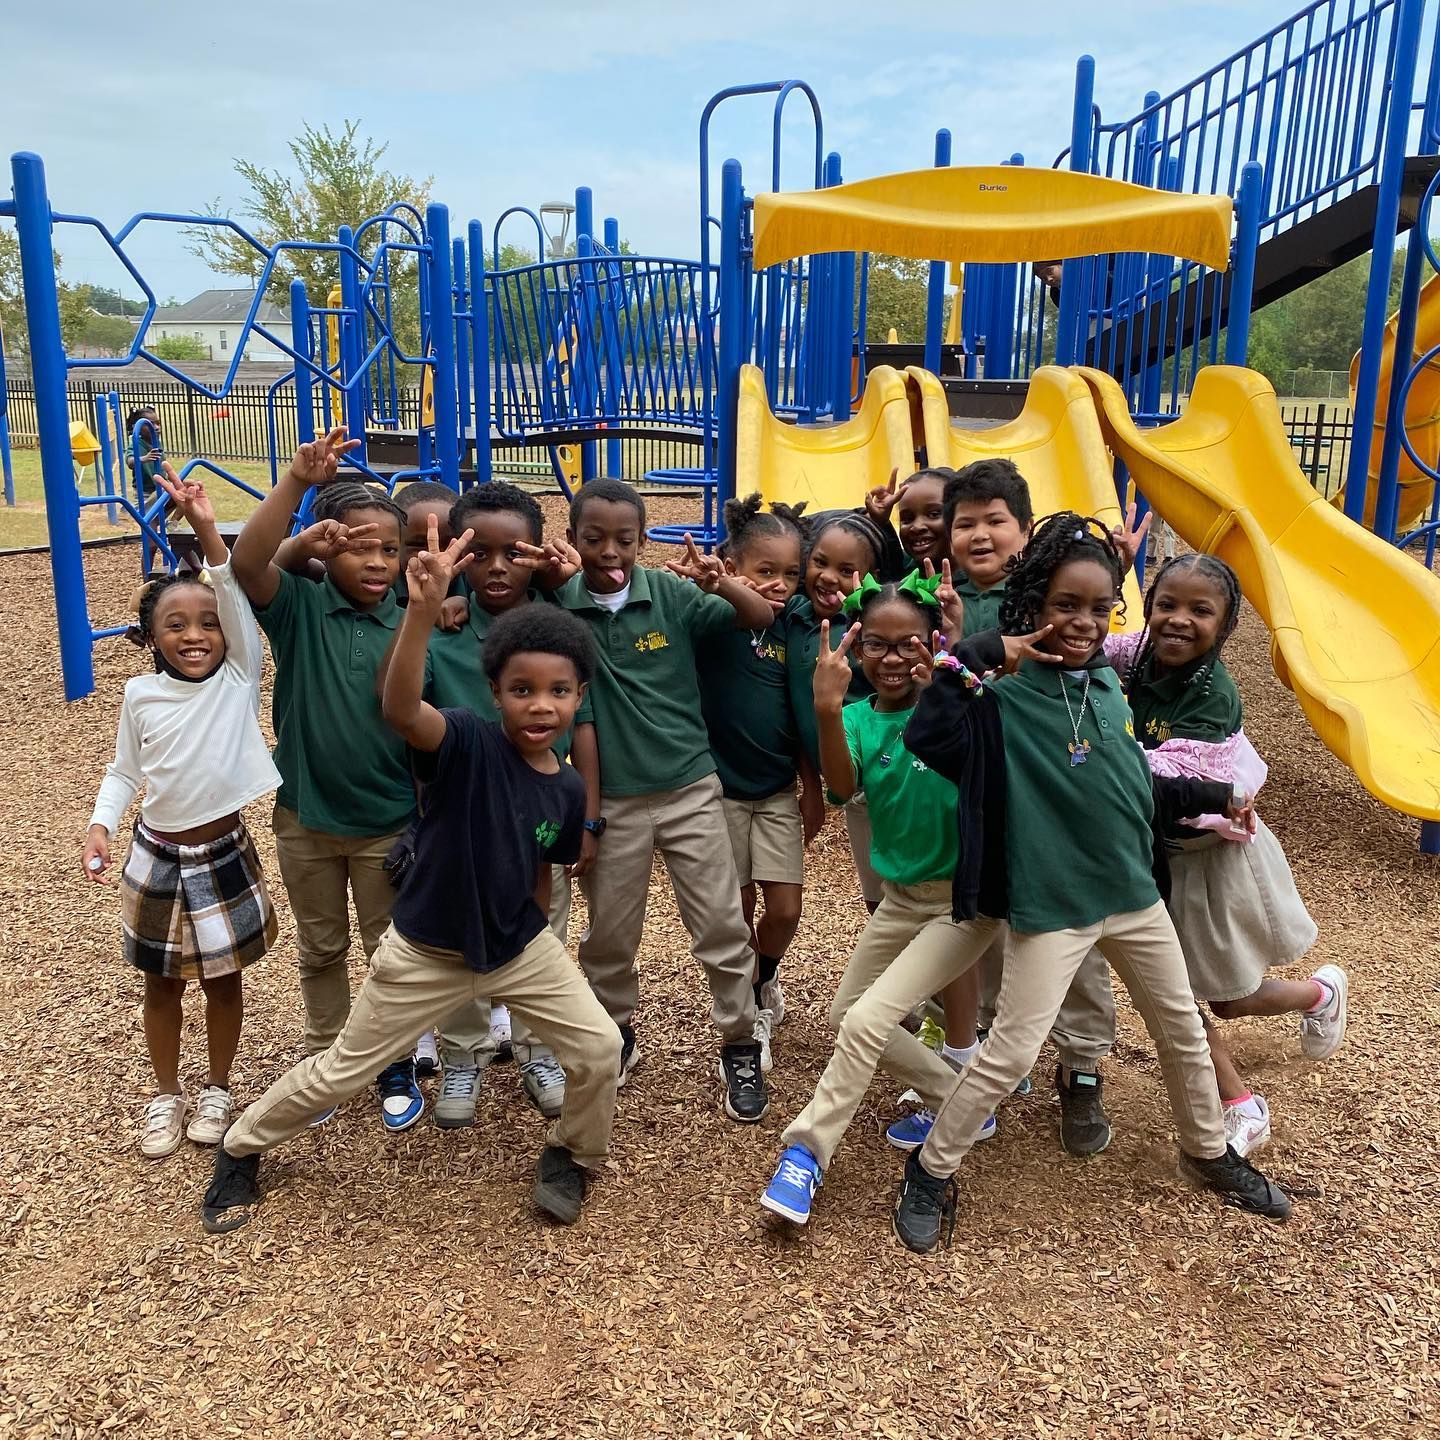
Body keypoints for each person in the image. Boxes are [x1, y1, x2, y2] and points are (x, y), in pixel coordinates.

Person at [885, 512, 1290, 1254]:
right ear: (1033, 601)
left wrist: (1214, 797)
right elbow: (927, 735)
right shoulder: (999, 700)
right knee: (1009, 1053)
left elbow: (1130, 781)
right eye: (1065, 604)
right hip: (1055, 907)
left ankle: (1205, 1151)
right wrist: (981, 650)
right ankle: (930, 1167)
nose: (1082, 622)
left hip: (1133, 899)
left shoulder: (1106, 682)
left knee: (1180, 1030)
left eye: (1099, 609)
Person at [200, 529, 621, 1234]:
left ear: (580, 696)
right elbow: (400, 709)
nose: (540, 706)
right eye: (522, 690)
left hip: (517, 946)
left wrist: (540, 946)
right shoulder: (467, 742)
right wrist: (421, 612)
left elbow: (543, 876)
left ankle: (572, 1155)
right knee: (342, 1069)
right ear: (496, 694)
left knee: (600, 1048)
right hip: (427, 949)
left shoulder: (569, 789)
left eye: (557, 691)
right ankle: (242, 1147)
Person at [760, 578, 1006, 1226]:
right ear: (857, 648)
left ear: (933, 645)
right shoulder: (863, 718)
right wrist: (826, 709)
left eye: (909, 645)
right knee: (848, 1015)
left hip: (963, 904)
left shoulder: (959, 709)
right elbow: (841, 791)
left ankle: (806, 1154)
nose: (892, 659)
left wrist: (957, 669)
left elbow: (988, 732)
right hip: (901, 899)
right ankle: (964, 1100)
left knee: (870, 1023)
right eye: (877, 645)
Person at [1110, 554, 1346, 1156]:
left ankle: (1310, 1007)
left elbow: (1168, 782)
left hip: (1208, 858)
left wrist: (1091, 748)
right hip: (1160, 854)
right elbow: (1089, 652)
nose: (1178, 620)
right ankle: (1244, 1091)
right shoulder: (1138, 653)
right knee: (1183, 991)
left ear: (1227, 626)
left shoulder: (1215, 695)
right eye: (1167, 604)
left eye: (1199, 610)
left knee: (1219, 996)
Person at [556, 478, 777, 1122]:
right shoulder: (562, 610)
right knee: (611, 933)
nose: (609, 552)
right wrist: (590, 815)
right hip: (617, 801)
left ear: (642, 539)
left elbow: (758, 617)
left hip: (689, 789)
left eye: (624, 539)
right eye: (593, 538)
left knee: (718, 922)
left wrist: (720, 583)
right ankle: (615, 1031)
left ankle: (738, 1039)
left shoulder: (674, 595)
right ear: (572, 538)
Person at [230, 427, 427, 1133]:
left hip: (388, 821)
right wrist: (293, 486)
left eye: (389, 549)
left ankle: (393, 1060)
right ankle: (323, 1059)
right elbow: (245, 564)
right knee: (320, 948)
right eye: (359, 545)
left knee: (389, 953)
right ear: (327, 546)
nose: (377, 561)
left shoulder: (415, 619)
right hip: (307, 818)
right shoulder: (303, 610)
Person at [83, 465, 281, 1158]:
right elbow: (125, 770)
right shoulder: (141, 697)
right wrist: (102, 824)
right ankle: (166, 1094)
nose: (196, 634)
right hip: (156, 853)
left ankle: (219, 1086)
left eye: (207, 624)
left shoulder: (239, 675)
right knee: (160, 981)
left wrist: (203, 524)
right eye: (176, 624)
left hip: (222, 851)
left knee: (223, 980)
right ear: (152, 636)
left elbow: (230, 596)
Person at [943, 459, 1138, 1156]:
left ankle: (1081, 1067)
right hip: (991, 799)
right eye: (965, 523)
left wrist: (1105, 573)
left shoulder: (1061, 600)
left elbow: (1106, 659)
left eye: (997, 520)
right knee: (998, 928)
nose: (981, 534)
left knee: (1078, 937)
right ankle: (1003, 1043)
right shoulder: (941, 596)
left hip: (1067, 804)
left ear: (1027, 533)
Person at [417, 481, 598, 1127]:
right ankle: (462, 1058)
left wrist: (591, 819)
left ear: (536, 553)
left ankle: (536, 1051)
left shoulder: (556, 628)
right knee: (456, 945)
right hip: (459, 826)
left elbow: (585, 726)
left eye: (512, 553)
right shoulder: (443, 631)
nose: (496, 567)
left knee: (541, 934)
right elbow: (414, 721)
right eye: (481, 554)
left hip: (538, 819)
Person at [698, 493, 813, 1061]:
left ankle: (763, 976)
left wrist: (811, 787)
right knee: (737, 909)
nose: (779, 584)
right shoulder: (713, 618)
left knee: (786, 909)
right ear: (734, 565)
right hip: (719, 791)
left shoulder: (795, 626)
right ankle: (746, 1005)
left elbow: (801, 708)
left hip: (774, 790)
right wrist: (714, 584)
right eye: (764, 571)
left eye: (791, 573)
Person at [783, 509, 887, 913]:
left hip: (883, 772)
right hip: (848, 788)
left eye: (847, 570)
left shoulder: (870, 625)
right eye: (820, 563)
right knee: (877, 897)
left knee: (914, 884)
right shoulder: (793, 617)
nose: (828, 577)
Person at [864, 466, 955, 575]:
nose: (917, 526)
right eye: (907, 519)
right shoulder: (901, 573)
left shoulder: (978, 577)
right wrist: (879, 523)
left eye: (933, 514)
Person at [126, 406, 163, 505]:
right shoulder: (136, 443)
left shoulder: (156, 442)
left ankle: (173, 520)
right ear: (138, 427)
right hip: (144, 491)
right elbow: (130, 462)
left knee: (183, 495)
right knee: (144, 516)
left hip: (159, 486)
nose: (156, 427)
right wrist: (144, 458)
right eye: (150, 424)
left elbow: (162, 465)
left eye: (158, 423)